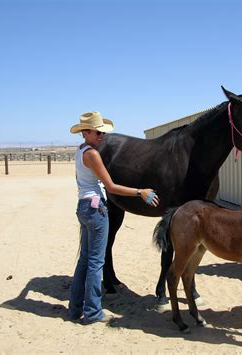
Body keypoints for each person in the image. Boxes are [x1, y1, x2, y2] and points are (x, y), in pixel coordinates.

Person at [68, 111, 159, 324]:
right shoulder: (93, 154)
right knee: (95, 263)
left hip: (83, 206)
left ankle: (75, 308)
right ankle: (92, 312)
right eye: (98, 132)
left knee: (84, 260)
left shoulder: (79, 151)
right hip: (96, 209)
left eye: (102, 132)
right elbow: (111, 186)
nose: (102, 136)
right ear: (86, 132)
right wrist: (140, 192)